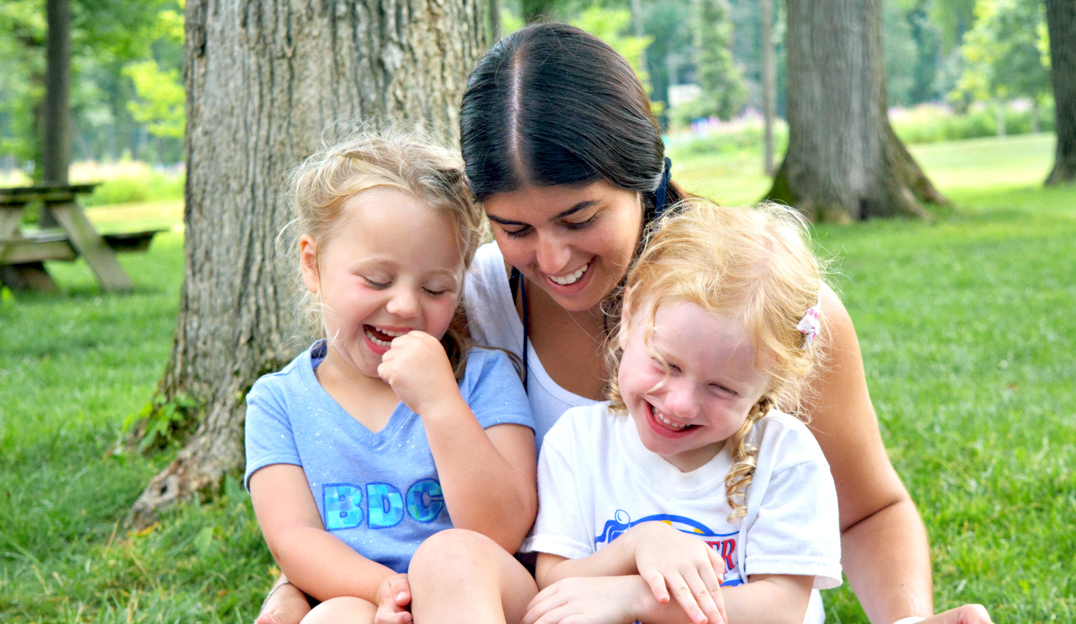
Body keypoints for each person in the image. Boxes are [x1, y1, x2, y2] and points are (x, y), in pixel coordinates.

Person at [258, 23, 992, 624]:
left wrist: (906, 621)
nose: (552, 258)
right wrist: (311, 588)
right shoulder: (471, 298)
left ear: (644, 174)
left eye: (579, 218)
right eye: (513, 227)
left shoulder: (763, 314)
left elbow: (868, 511)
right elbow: (374, 442)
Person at [244, 130, 537, 624]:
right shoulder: (279, 402)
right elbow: (294, 539)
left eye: (435, 287)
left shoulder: (483, 379)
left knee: (449, 559)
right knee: (331, 618)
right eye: (376, 280)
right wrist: (385, 591)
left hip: (477, 592)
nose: (404, 305)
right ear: (312, 265)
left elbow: (502, 530)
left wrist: (441, 403)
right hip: (360, 596)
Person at [523, 200, 841, 624]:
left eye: (722, 388)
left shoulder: (784, 456)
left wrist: (639, 597)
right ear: (629, 313)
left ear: (771, 386)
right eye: (666, 364)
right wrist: (638, 544)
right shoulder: (579, 443)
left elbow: (780, 609)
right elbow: (554, 580)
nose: (679, 403)